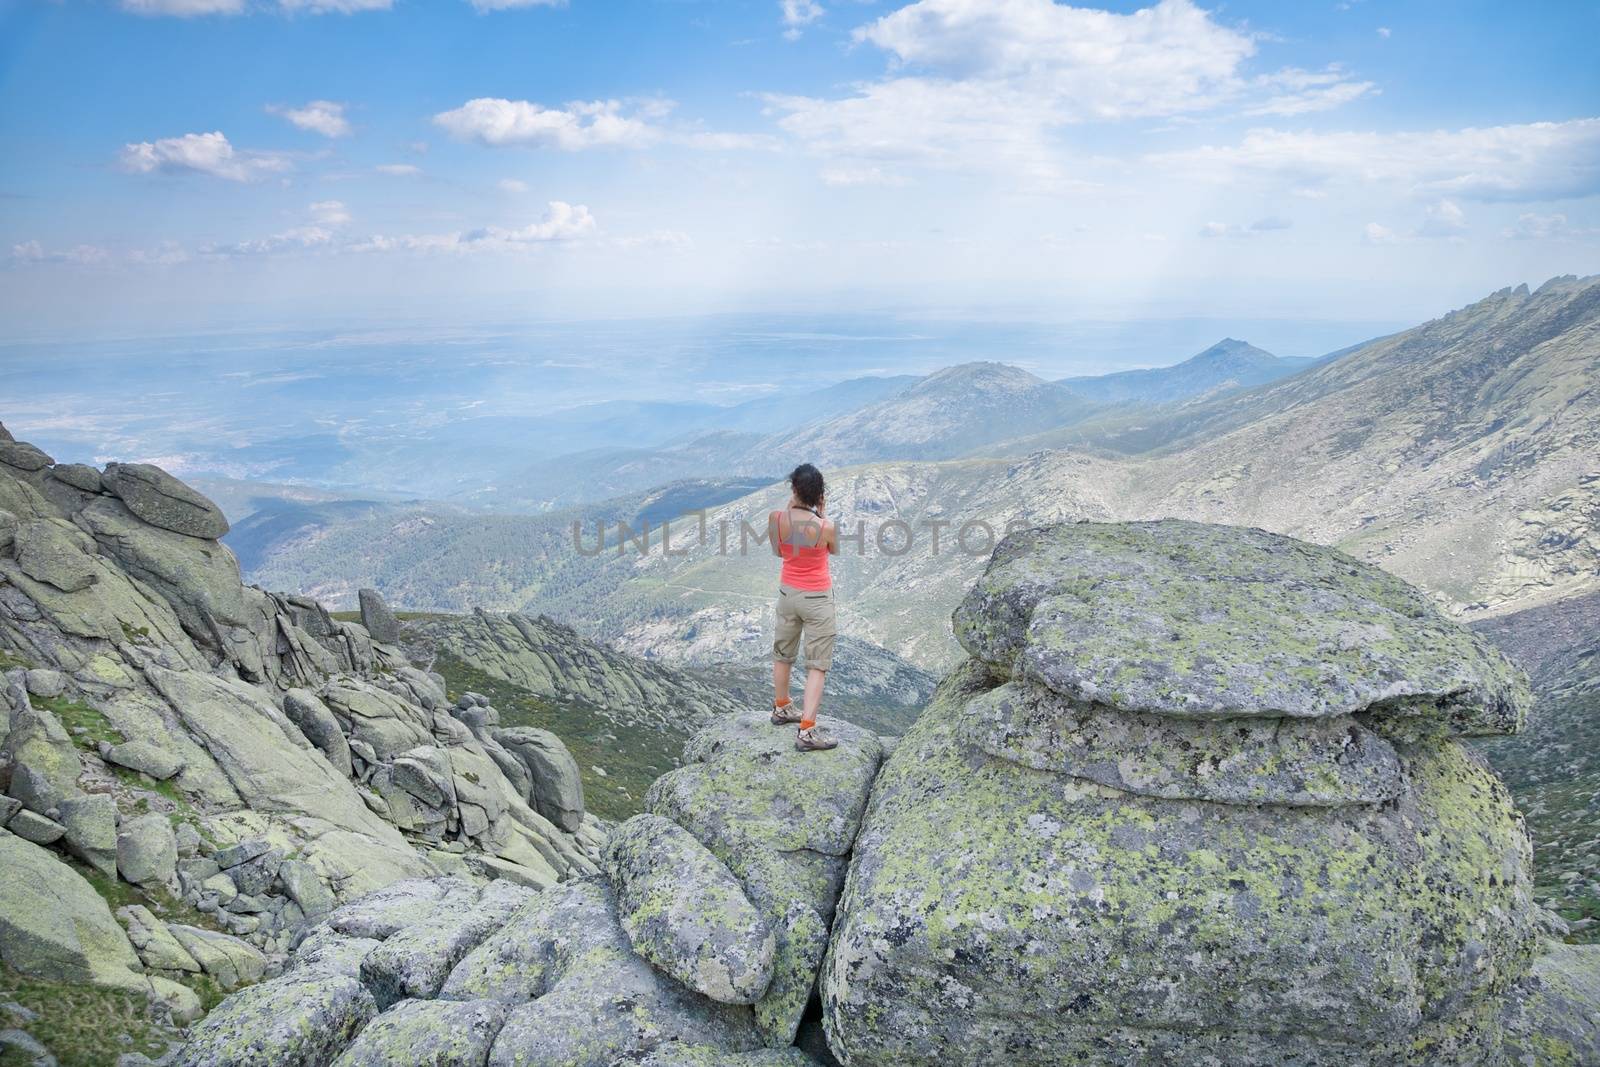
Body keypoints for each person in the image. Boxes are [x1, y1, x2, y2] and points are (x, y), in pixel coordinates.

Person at [768, 463, 839, 751]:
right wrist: (818, 514)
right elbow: (832, 549)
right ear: (819, 494)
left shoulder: (776, 519)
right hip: (818, 599)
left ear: (794, 489)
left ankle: (782, 707)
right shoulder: (826, 527)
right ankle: (807, 731)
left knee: (783, 654)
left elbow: (777, 551)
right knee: (817, 665)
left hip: (788, 593)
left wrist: (791, 508)